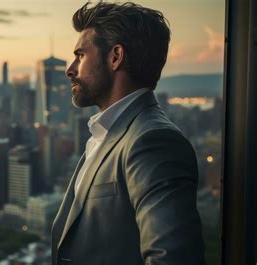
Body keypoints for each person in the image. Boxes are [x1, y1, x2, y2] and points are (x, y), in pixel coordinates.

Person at [51, 2, 205, 265]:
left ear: (115, 57)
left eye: (81, 55)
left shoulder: (153, 141)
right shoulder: (108, 133)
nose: (70, 69)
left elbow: (172, 259)